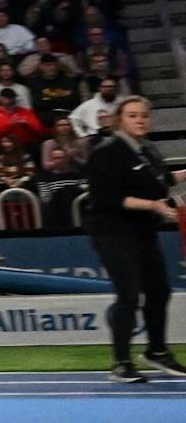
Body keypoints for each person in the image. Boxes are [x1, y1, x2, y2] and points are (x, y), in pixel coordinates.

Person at [82, 96, 186, 382]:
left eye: (144, 115)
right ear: (119, 119)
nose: (140, 120)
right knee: (128, 294)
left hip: (142, 229)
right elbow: (107, 198)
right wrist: (153, 206)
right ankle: (121, 362)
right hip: (112, 230)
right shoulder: (106, 151)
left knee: (159, 290)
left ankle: (157, 351)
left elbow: (161, 181)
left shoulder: (147, 149)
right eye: (132, 115)